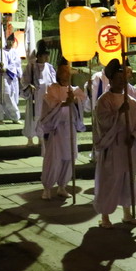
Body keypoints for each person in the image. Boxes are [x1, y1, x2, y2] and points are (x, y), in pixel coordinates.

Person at [93, 59, 136, 228]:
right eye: (118, 78)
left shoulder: (132, 100)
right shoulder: (104, 100)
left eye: (123, 78)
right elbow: (102, 122)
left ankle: (127, 212)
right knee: (109, 181)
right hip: (112, 147)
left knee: (128, 180)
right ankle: (105, 217)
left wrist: (134, 135)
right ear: (110, 79)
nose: (121, 81)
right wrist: (118, 113)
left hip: (127, 147)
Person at [37, 58, 86, 200]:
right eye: (62, 71)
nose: (65, 74)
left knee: (68, 158)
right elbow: (50, 103)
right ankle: (47, 187)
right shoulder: (52, 88)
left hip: (70, 129)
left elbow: (84, 102)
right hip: (56, 129)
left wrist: (76, 101)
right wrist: (65, 103)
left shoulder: (75, 90)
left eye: (67, 71)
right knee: (53, 159)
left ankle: (62, 186)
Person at [21, 40, 56, 146]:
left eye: (47, 55)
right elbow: (24, 80)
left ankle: (41, 138)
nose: (47, 58)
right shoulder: (31, 67)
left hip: (45, 97)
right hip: (34, 96)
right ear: (39, 56)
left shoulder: (49, 67)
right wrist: (28, 86)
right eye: (45, 55)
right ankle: (30, 138)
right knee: (32, 117)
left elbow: (53, 81)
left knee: (43, 117)